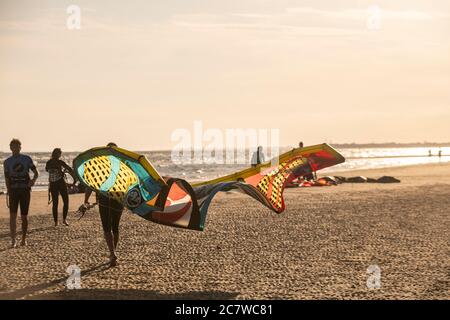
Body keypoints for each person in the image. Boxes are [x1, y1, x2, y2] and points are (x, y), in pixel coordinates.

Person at [84, 142, 124, 267]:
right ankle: (113, 253)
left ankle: (112, 253)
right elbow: (130, 182)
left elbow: (91, 183)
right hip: (119, 197)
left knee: (107, 227)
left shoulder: (100, 165)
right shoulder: (122, 164)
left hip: (105, 198)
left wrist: (86, 199)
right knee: (115, 227)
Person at [3, 139, 39, 247]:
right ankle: (13, 240)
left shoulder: (27, 159)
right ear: (10, 148)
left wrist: (33, 181)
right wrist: (8, 191)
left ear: (20, 147)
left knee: (24, 216)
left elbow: (36, 173)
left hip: (25, 190)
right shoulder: (7, 162)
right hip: (13, 191)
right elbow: (7, 178)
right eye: (14, 146)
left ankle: (24, 239)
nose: (16, 148)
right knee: (12, 216)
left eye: (18, 146)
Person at [46, 148, 76, 226]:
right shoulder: (60, 162)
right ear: (58, 154)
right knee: (65, 201)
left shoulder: (48, 162)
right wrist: (73, 177)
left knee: (55, 203)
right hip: (60, 183)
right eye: (59, 153)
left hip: (52, 184)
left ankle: (56, 222)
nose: (59, 155)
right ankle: (64, 220)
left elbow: (47, 170)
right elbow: (69, 169)